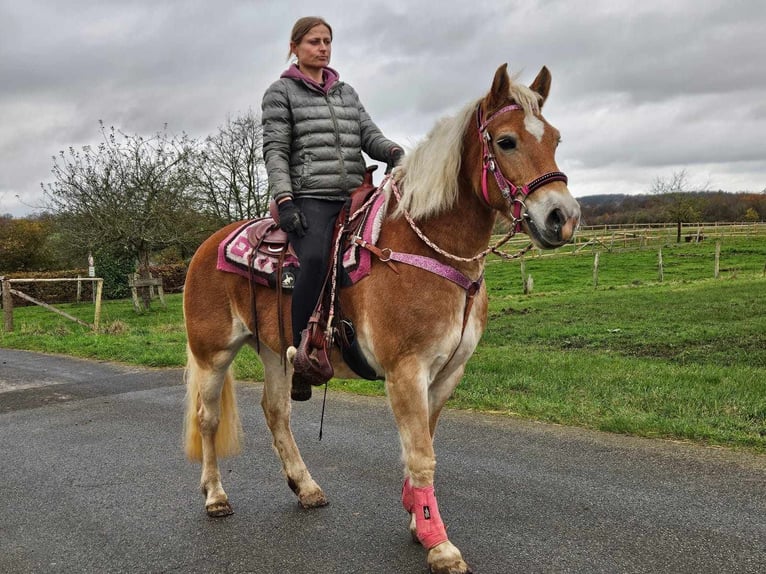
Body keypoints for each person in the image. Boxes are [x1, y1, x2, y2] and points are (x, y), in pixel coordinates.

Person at [262, 16, 403, 397]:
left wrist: (391, 150)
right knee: (312, 260)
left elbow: (368, 134)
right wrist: (285, 199)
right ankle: (303, 359)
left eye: (327, 41)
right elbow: (275, 151)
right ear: (295, 47)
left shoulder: (346, 92)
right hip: (309, 197)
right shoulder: (281, 93)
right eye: (313, 42)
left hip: (356, 192)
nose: (322, 48)